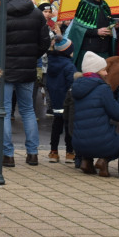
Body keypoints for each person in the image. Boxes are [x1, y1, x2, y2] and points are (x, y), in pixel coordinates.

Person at [0, 0, 50, 167]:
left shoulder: (0, 13)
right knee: (28, 110)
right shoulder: (36, 13)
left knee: (2, 110)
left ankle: (7, 154)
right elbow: (45, 41)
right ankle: (33, 153)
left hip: (3, 70)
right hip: (27, 69)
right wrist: (31, 55)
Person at [71, 52, 119, 177]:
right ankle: (104, 160)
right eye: (104, 70)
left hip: (78, 145)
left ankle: (87, 161)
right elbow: (118, 115)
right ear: (97, 71)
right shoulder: (103, 89)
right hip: (102, 145)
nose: (106, 73)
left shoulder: (76, 87)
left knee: (89, 131)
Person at [63, 0, 114, 70]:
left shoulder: (104, 5)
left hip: (104, 49)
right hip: (88, 50)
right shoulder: (85, 4)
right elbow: (77, 28)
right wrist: (97, 32)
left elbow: (110, 21)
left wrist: (112, 28)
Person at [45, 35, 75, 164]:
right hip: (67, 101)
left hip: (56, 100)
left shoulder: (52, 62)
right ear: (67, 51)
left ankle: (53, 152)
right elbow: (72, 83)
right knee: (69, 126)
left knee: (56, 125)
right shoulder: (69, 66)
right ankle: (69, 152)